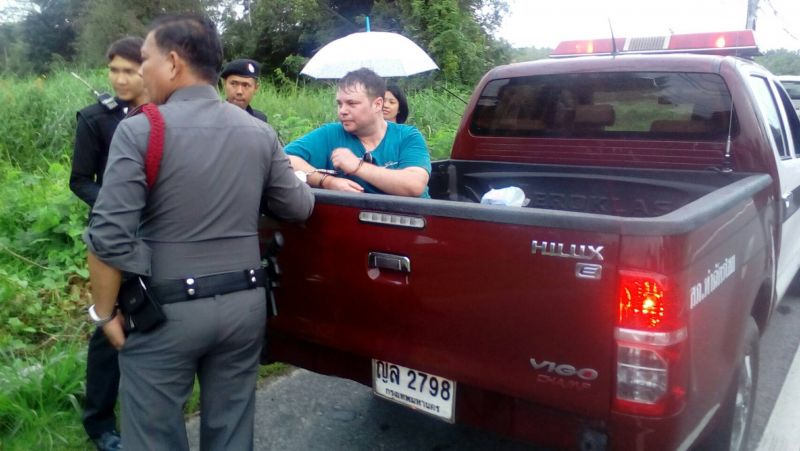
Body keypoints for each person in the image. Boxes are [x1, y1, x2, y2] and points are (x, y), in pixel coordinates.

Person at [83, 14, 313, 450]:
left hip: (165, 312)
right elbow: (298, 207)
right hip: (245, 307)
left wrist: (104, 314)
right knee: (231, 434)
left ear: (172, 63)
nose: (141, 71)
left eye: (145, 60)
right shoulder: (259, 132)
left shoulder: (140, 129)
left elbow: (109, 236)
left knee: (153, 437)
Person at [69, 36, 148, 451]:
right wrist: (118, 205)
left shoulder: (160, 115)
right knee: (108, 320)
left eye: (129, 71)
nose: (120, 79)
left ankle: (146, 406)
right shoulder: (95, 119)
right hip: (113, 234)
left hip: (153, 233)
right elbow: (80, 179)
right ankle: (99, 422)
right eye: (114, 70)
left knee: (151, 313)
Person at [285, 68, 431, 198]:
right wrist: (327, 181)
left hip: (410, 218)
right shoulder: (330, 134)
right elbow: (284, 160)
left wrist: (357, 167)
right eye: (340, 104)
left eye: (352, 103)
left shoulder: (407, 136)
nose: (342, 111)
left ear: (377, 104)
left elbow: (414, 185)